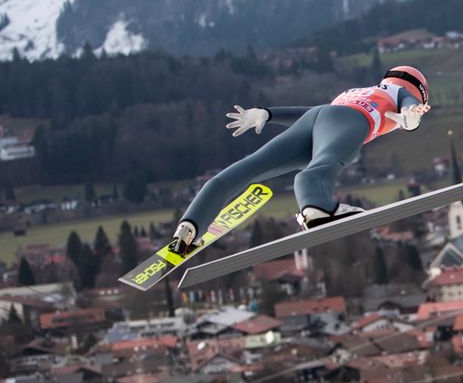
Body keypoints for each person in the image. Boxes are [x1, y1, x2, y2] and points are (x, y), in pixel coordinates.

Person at [168, 66, 430, 255]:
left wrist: (267, 114)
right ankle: (318, 209)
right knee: (319, 168)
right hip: (350, 121)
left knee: (246, 169)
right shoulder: (399, 95)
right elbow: (409, 109)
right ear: (418, 91)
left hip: (318, 118)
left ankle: (190, 226)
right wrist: (411, 116)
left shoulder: (357, 90)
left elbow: (314, 114)